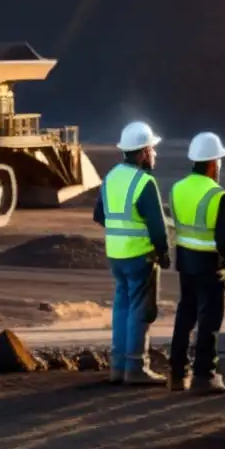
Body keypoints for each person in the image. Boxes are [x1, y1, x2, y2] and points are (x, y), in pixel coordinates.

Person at [93, 121, 171, 386]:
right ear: (143, 152)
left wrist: (120, 230)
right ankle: (136, 367)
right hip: (140, 256)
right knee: (140, 311)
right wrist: (164, 253)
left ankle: (118, 367)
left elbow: (98, 215)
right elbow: (158, 227)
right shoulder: (144, 182)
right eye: (153, 149)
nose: (155, 155)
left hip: (116, 256)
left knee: (122, 308)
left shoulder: (110, 177)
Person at [167, 131, 225, 394]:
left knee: (185, 315)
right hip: (211, 265)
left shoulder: (177, 188)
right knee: (210, 320)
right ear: (211, 164)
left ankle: (177, 373)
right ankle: (204, 375)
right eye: (219, 162)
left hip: (185, 261)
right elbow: (222, 238)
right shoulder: (221, 197)